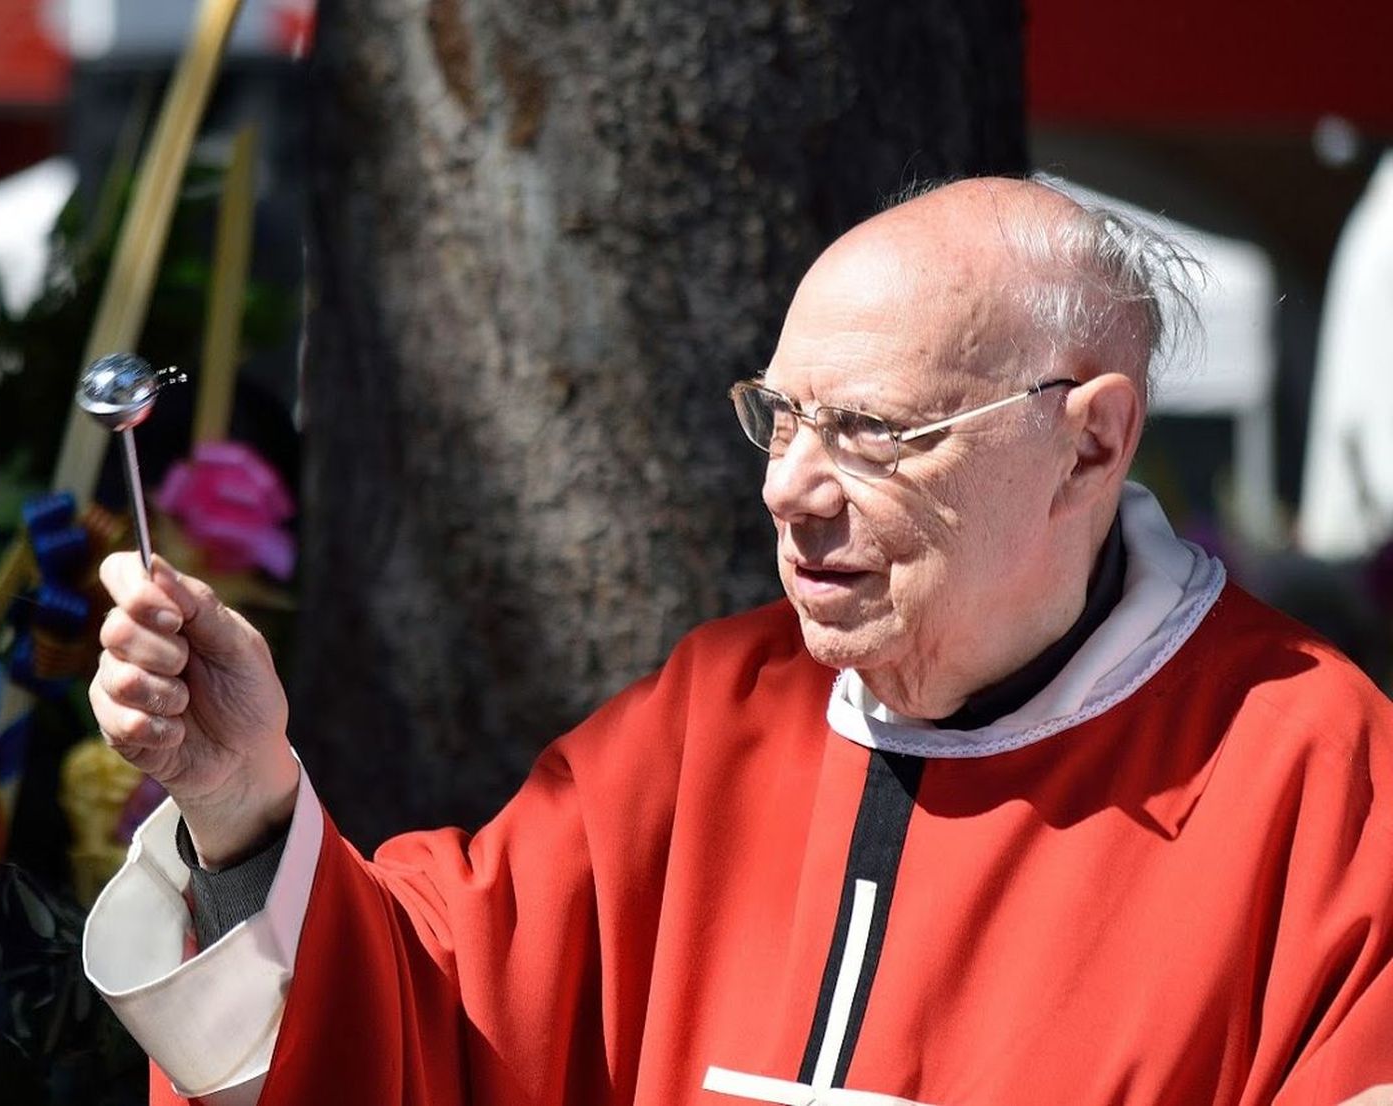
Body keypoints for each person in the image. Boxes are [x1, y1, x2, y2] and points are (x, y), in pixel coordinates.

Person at [83, 178, 1393, 1106]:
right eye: (780, 417)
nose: (787, 487)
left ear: (1089, 443)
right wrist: (242, 799)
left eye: (871, 431)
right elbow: (418, 1024)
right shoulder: (717, 716)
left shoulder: (1319, 780)